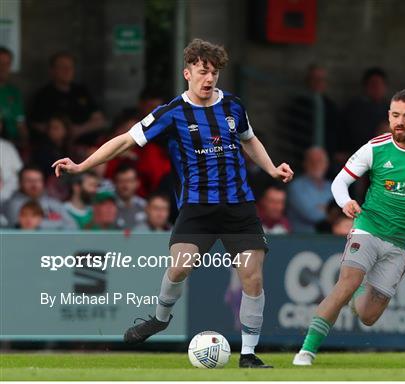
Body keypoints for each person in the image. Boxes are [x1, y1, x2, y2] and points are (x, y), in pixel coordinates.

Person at [52, 38, 293, 368]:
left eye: (215, 73)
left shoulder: (233, 105)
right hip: (198, 209)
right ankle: (160, 318)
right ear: (187, 72)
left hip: (239, 207)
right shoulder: (171, 113)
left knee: (252, 276)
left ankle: (248, 354)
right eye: (203, 72)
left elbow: (249, 140)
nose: (209, 79)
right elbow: (125, 141)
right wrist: (81, 166)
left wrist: (271, 167)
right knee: (180, 265)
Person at [293, 90, 405, 366]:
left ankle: (361, 294)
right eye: (395, 115)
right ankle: (307, 351)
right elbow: (339, 183)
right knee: (346, 283)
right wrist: (345, 202)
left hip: (404, 240)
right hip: (369, 226)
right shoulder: (375, 147)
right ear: (388, 115)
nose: (400, 121)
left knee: (368, 316)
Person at [29, 51, 106, 139]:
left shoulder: (81, 91)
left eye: (70, 67)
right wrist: (63, 132)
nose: (67, 71)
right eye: (62, 67)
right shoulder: (44, 95)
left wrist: (79, 130)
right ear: (52, 70)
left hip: (86, 143)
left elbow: (99, 121)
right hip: (58, 147)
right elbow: (36, 124)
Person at [5, 165, 76, 229]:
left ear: (43, 182)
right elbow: (23, 226)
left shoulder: (53, 203)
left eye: (38, 180)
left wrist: (39, 224)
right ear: (20, 183)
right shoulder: (13, 204)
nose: (34, 184)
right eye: (29, 180)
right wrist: (58, 224)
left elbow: (72, 226)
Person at [287, 147, 333, 233]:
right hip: (302, 240)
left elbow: (341, 212)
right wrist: (330, 212)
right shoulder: (296, 186)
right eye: (311, 161)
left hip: (328, 238)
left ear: (327, 164)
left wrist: (322, 208)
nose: (316, 165)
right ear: (305, 163)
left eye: (320, 161)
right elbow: (311, 215)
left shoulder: (332, 186)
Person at [0, 46, 27, 148]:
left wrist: (25, 143)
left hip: (13, 143)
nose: (3, 67)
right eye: (0, 63)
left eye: (6, 64)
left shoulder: (14, 92)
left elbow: (20, 122)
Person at [113, 164, 146, 229]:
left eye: (129, 181)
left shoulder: (145, 206)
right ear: (115, 183)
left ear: (137, 183)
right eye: (121, 181)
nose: (125, 185)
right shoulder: (108, 208)